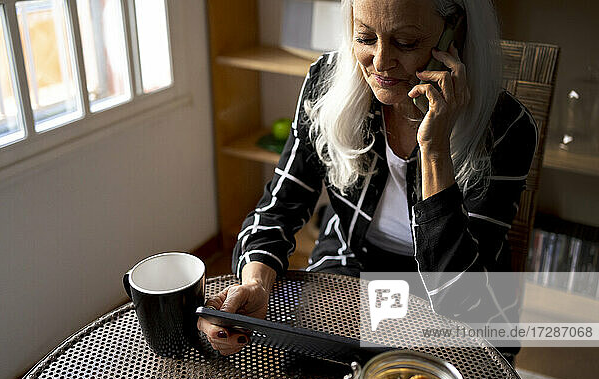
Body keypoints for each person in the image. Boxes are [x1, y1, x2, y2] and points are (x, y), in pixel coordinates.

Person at [198, 0, 537, 358]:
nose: (380, 62)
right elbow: (278, 207)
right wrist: (256, 283)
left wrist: (434, 149)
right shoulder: (326, 81)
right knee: (306, 365)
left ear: (456, 30)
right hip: (350, 261)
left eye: (406, 43)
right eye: (364, 36)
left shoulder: (506, 128)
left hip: (461, 297)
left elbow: (459, 297)